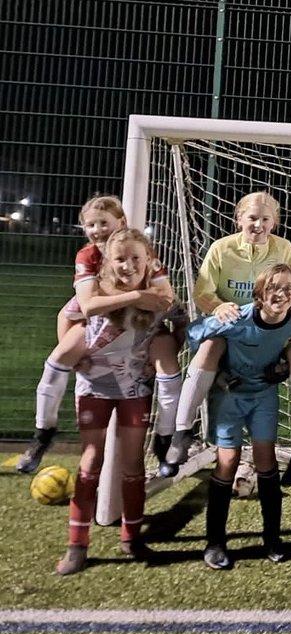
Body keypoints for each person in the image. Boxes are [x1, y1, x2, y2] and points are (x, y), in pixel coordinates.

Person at [54, 229, 186, 575]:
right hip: (94, 387)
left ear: (149, 262)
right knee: (90, 462)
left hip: (133, 391)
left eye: (136, 259)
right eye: (120, 259)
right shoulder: (97, 294)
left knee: (133, 465)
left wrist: (167, 347)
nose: (128, 265)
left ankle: (132, 537)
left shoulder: (159, 298)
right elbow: (66, 315)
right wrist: (77, 354)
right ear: (109, 263)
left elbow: (182, 318)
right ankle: (77, 545)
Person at [20, 196, 180, 476]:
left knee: (168, 365)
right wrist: (138, 295)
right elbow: (85, 307)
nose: (97, 230)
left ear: (121, 223)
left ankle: (165, 440)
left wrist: (140, 302)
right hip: (98, 324)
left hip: (142, 327)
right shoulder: (87, 255)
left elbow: (165, 300)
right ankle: (43, 433)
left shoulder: (144, 252)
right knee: (59, 358)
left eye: (103, 223)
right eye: (90, 225)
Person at [166, 191, 291, 468]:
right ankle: (182, 432)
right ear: (239, 219)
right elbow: (202, 292)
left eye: (265, 219)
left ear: (275, 222)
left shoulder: (283, 247)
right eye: (252, 218)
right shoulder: (221, 249)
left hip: (270, 328)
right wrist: (217, 307)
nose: (258, 225)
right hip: (232, 329)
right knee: (209, 347)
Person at [188, 263, 291, 570]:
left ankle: (272, 538)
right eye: (274, 287)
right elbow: (194, 335)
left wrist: (285, 364)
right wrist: (218, 371)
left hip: (263, 397)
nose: (281, 294)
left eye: (289, 288)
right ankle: (215, 542)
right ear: (259, 293)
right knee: (228, 461)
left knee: (265, 459)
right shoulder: (237, 320)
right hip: (230, 396)